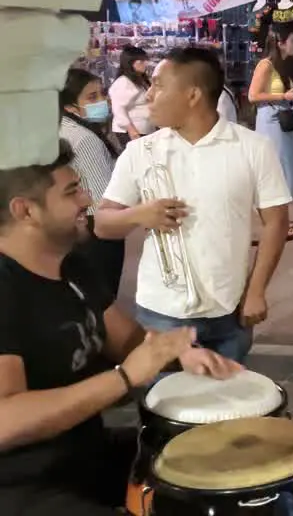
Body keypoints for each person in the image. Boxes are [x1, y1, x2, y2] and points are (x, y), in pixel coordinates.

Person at [0, 139, 239, 516]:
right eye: (72, 191)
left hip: (83, 452)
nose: (87, 200)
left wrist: (178, 354)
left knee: (219, 458)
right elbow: (5, 420)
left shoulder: (70, 265)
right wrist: (125, 377)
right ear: (25, 210)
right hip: (20, 482)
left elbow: (127, 340)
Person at [94, 47, 293, 364]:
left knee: (227, 405)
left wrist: (256, 290)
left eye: (159, 85)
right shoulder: (140, 152)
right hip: (160, 312)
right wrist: (139, 214)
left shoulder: (253, 147)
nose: (149, 95)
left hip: (229, 309)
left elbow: (277, 222)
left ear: (192, 95)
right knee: (163, 404)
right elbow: (102, 224)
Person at [58, 69, 126, 298]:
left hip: (76, 231)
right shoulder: (84, 139)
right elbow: (102, 200)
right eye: (91, 97)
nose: (102, 101)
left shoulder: (63, 129)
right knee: (103, 295)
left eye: (101, 94)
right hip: (97, 234)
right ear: (70, 106)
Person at [248, 28, 293, 196]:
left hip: (283, 119)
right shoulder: (265, 65)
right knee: (277, 165)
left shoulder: (281, 65)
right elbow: (253, 95)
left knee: (290, 165)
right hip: (271, 120)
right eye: (292, 41)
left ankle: (285, 215)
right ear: (281, 44)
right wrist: (283, 95)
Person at [108, 46, 152, 147]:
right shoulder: (124, 82)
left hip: (144, 128)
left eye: (145, 60)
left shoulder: (139, 79)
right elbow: (118, 108)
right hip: (132, 131)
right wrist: (131, 129)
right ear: (130, 63)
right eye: (141, 61)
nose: (145, 63)